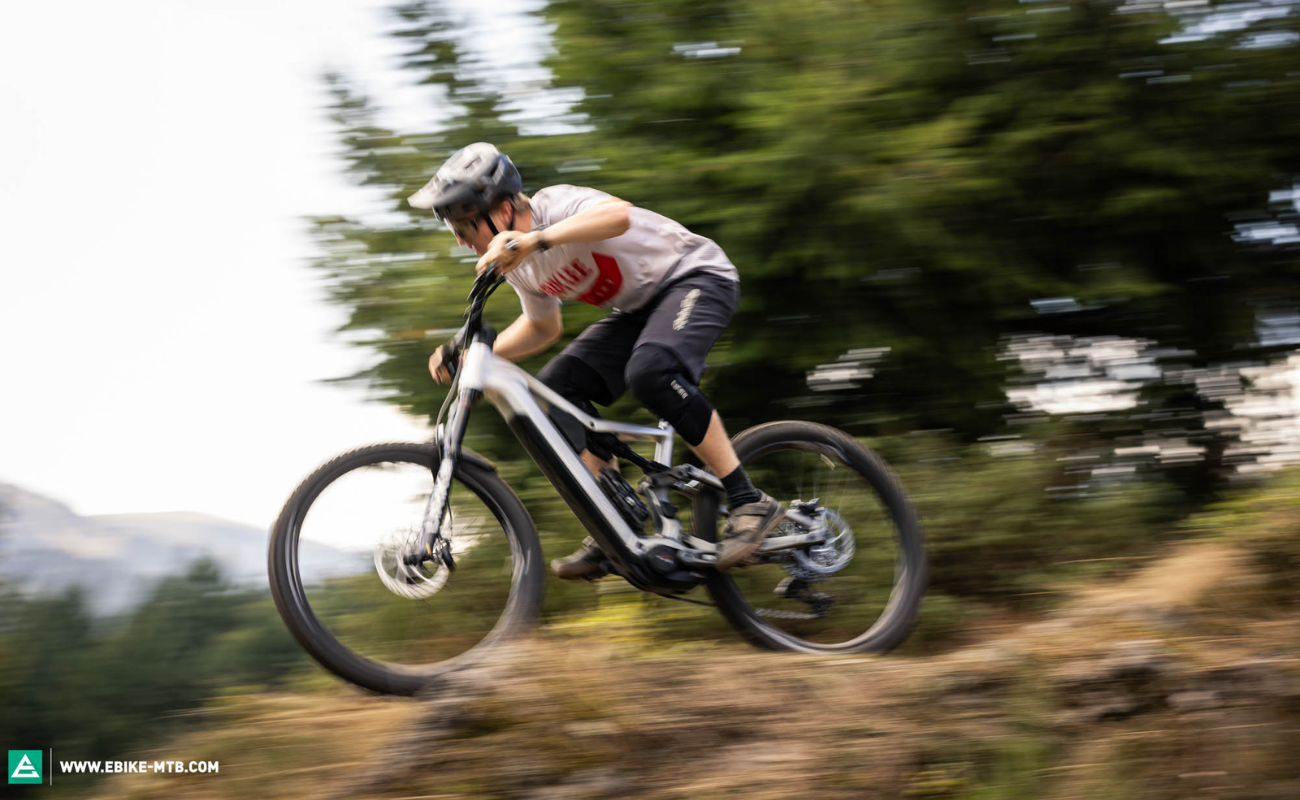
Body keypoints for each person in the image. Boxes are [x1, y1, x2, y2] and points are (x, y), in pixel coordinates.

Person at [408, 142, 783, 579]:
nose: (460, 240)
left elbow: (618, 215)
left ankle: (749, 500)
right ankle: (618, 524)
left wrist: (534, 240)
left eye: (465, 225)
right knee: (555, 389)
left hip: (697, 277)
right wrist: (477, 356)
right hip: (640, 310)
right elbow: (543, 329)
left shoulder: (554, 206)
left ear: (504, 209)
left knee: (650, 372)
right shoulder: (520, 267)